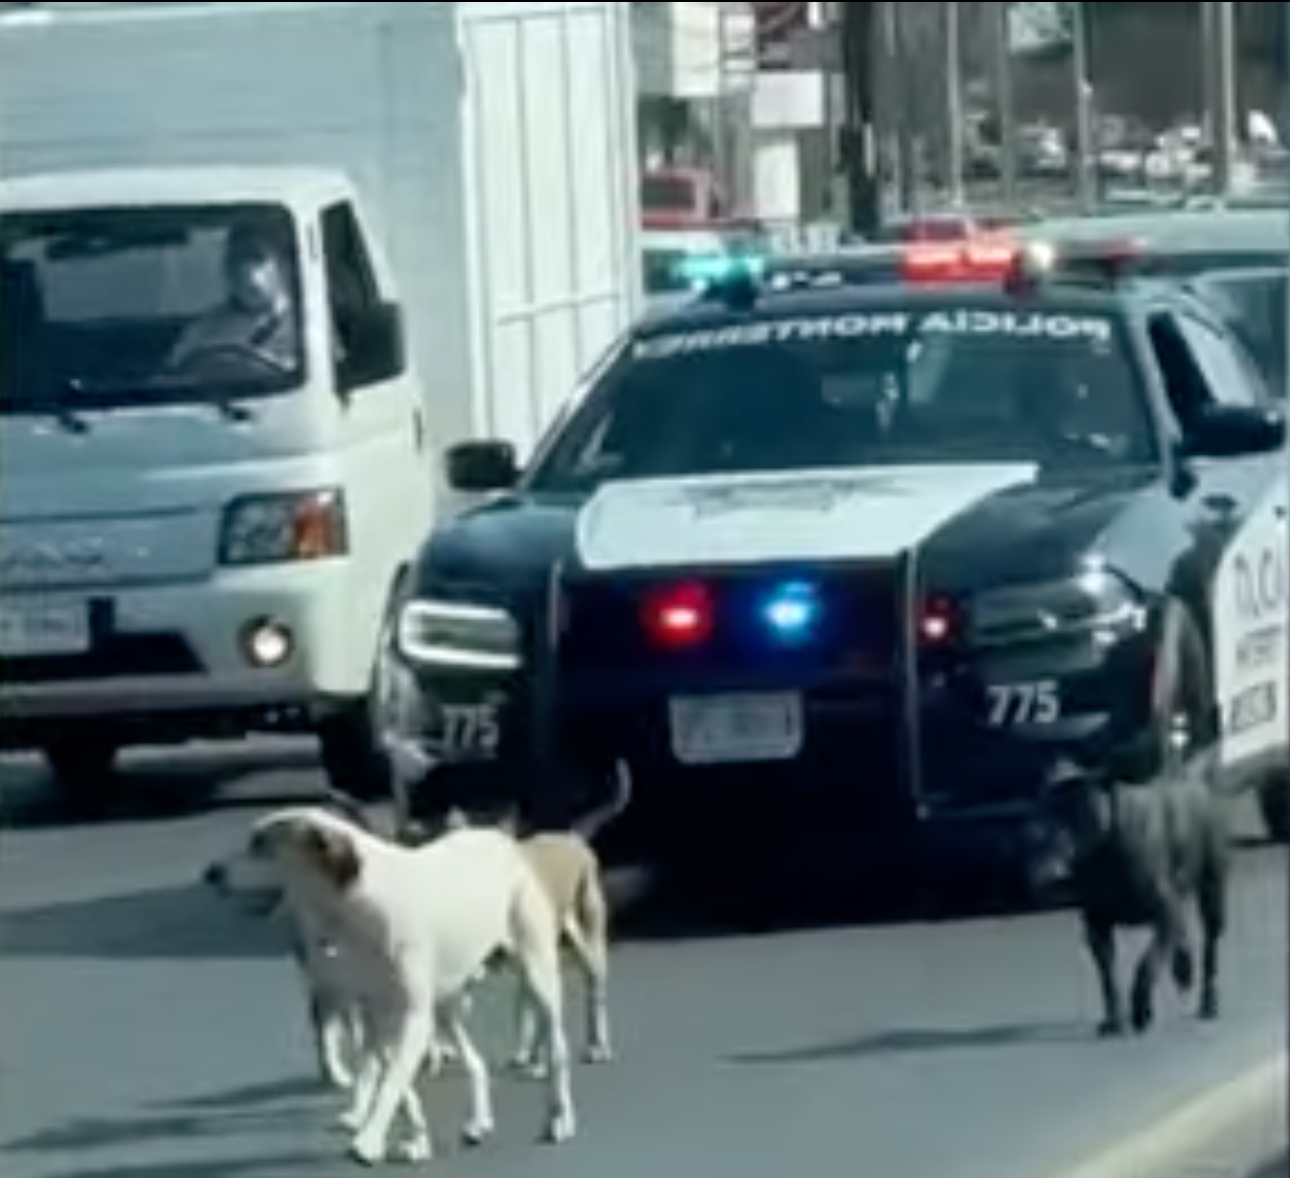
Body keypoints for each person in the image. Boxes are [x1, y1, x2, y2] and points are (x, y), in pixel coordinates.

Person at [166, 224, 298, 374]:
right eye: (236, 259)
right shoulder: (205, 328)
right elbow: (172, 377)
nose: (246, 270)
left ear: (281, 263)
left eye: (257, 258)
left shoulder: (305, 325)